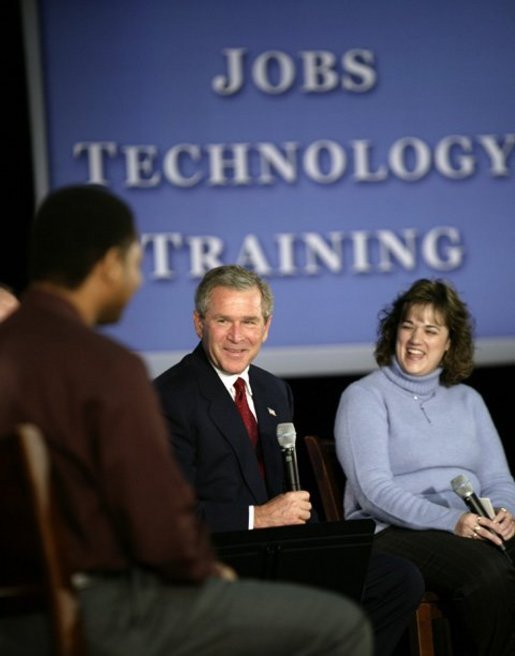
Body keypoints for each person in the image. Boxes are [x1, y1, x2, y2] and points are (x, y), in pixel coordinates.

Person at [0, 185, 372, 656]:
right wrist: (209, 571)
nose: (137, 282)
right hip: (105, 609)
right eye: (136, 262)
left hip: (16, 619)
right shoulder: (107, 368)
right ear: (109, 263)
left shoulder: (12, 353)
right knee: (339, 624)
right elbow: (155, 524)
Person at [154, 264, 425, 656]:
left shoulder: (272, 390)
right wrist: (258, 517)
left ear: (266, 327)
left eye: (249, 321)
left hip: (283, 552)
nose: (237, 336)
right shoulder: (169, 398)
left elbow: (285, 494)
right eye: (223, 321)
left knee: (397, 579)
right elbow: (168, 518)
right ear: (199, 324)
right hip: (221, 560)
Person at [334, 277, 515, 656]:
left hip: (470, 522)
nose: (416, 339)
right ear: (393, 332)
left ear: (449, 342)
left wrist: (505, 512)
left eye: (430, 329)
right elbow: (373, 491)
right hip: (392, 530)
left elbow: (498, 478)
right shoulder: (365, 396)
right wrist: (452, 521)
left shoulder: (469, 400)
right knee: (488, 572)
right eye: (408, 325)